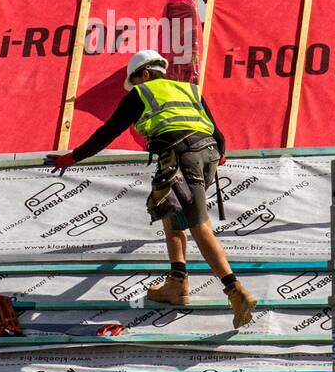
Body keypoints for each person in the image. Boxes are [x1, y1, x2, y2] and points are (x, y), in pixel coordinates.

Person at [44, 50, 257, 327]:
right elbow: (218, 133)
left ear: (144, 74)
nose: (132, 87)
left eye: (134, 81)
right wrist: (219, 153)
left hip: (181, 155)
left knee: (198, 225)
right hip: (208, 154)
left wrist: (72, 158)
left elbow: (107, 133)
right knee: (169, 208)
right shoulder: (189, 90)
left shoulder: (141, 93)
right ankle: (177, 282)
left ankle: (235, 291)